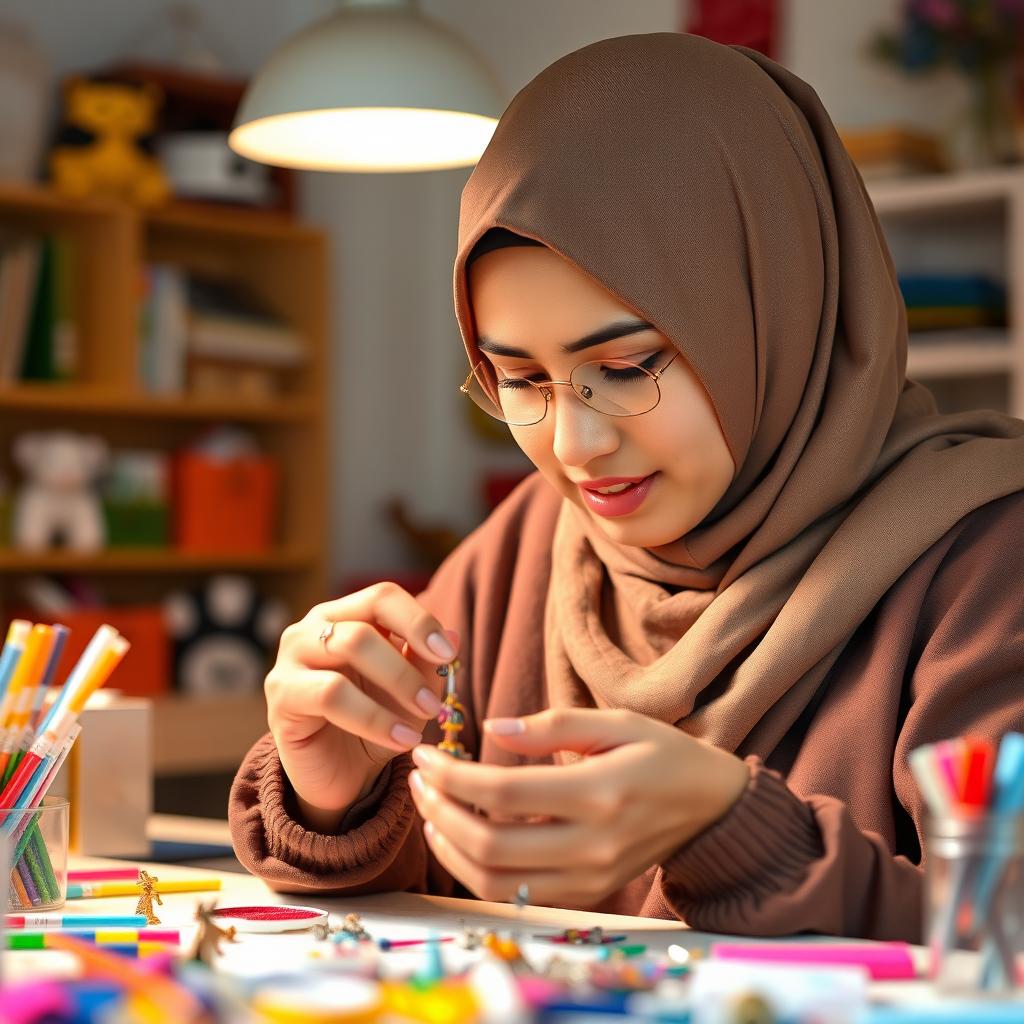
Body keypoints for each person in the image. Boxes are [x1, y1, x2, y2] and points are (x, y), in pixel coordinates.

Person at [229, 32, 1024, 940]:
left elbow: (1004, 934)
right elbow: (437, 898)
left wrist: (737, 834)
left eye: (625, 364)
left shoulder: (988, 560)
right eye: (520, 380)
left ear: (776, 310)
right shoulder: (533, 544)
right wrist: (335, 798)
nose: (574, 444)